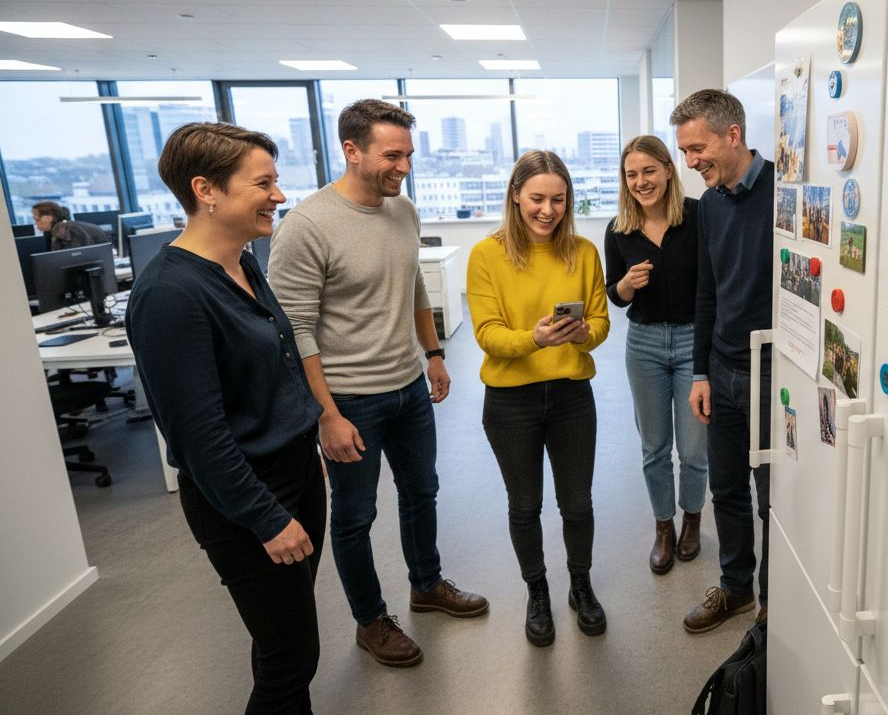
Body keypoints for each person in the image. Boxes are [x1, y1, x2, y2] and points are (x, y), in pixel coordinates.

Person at [269, 99, 487, 668]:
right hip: (347, 400)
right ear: (352, 150)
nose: (404, 167)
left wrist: (434, 353)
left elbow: (412, 284)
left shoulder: (403, 210)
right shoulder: (307, 225)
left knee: (422, 493)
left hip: (409, 386)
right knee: (355, 514)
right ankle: (371, 620)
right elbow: (294, 332)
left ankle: (426, 584)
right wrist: (326, 415)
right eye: (392, 155)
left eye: (408, 155)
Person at [126, 122, 325, 713]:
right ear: (205, 190)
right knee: (292, 660)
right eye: (263, 184)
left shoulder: (242, 264)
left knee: (283, 642)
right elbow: (200, 438)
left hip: (295, 474)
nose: (279, 196)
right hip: (247, 501)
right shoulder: (170, 295)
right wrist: (266, 519)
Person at [467, 150, 611, 647]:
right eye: (536, 199)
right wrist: (536, 339)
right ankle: (538, 590)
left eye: (557, 199)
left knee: (577, 503)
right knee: (525, 505)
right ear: (515, 195)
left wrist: (578, 335)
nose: (547, 210)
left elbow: (601, 325)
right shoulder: (487, 255)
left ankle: (580, 584)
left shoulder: (585, 252)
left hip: (572, 395)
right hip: (510, 402)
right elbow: (487, 334)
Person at [673, 89, 773, 633]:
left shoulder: (786, 192)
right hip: (724, 368)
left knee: (772, 500)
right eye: (685, 152)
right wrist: (701, 372)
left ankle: (773, 605)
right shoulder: (710, 205)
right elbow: (706, 292)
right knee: (727, 489)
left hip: (772, 373)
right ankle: (736, 589)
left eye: (696, 148)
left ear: (733, 135)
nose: (690, 163)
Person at [604, 135, 707, 575]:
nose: (641, 181)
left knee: (695, 447)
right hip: (643, 344)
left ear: (668, 169)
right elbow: (614, 295)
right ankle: (663, 526)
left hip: (691, 341)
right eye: (632, 174)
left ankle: (692, 521)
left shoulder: (700, 218)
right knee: (654, 447)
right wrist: (626, 285)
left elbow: (713, 287)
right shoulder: (618, 230)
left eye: (649, 171)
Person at [30, 200, 111, 250]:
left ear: (49, 217)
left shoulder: (63, 231)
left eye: (36, 219)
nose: (35, 223)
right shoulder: (73, 226)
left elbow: (69, 261)